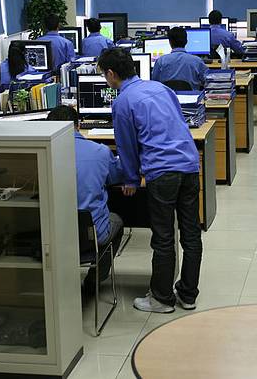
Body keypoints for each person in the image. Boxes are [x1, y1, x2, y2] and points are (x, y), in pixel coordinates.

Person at [97, 48, 202, 313]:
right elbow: (178, 123)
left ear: (111, 73)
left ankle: (162, 299)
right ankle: (188, 294)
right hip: (189, 164)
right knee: (190, 234)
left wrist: (131, 179)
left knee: (163, 237)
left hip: (162, 171)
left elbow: (126, 146)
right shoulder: (161, 88)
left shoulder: (123, 101)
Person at [45, 105, 124, 285]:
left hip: (53, 235)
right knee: (117, 221)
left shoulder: (44, 155)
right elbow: (116, 177)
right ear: (78, 125)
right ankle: (93, 283)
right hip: (90, 236)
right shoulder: (100, 152)